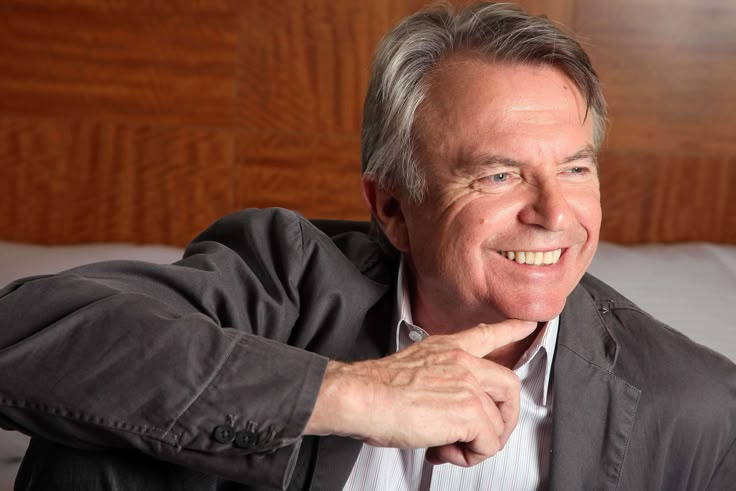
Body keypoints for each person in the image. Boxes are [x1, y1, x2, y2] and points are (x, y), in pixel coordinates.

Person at [1, 2, 734, 490]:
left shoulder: (696, 406)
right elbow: (21, 336)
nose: (554, 212)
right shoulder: (286, 274)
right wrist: (350, 394)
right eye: (500, 173)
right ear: (391, 206)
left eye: (576, 168)